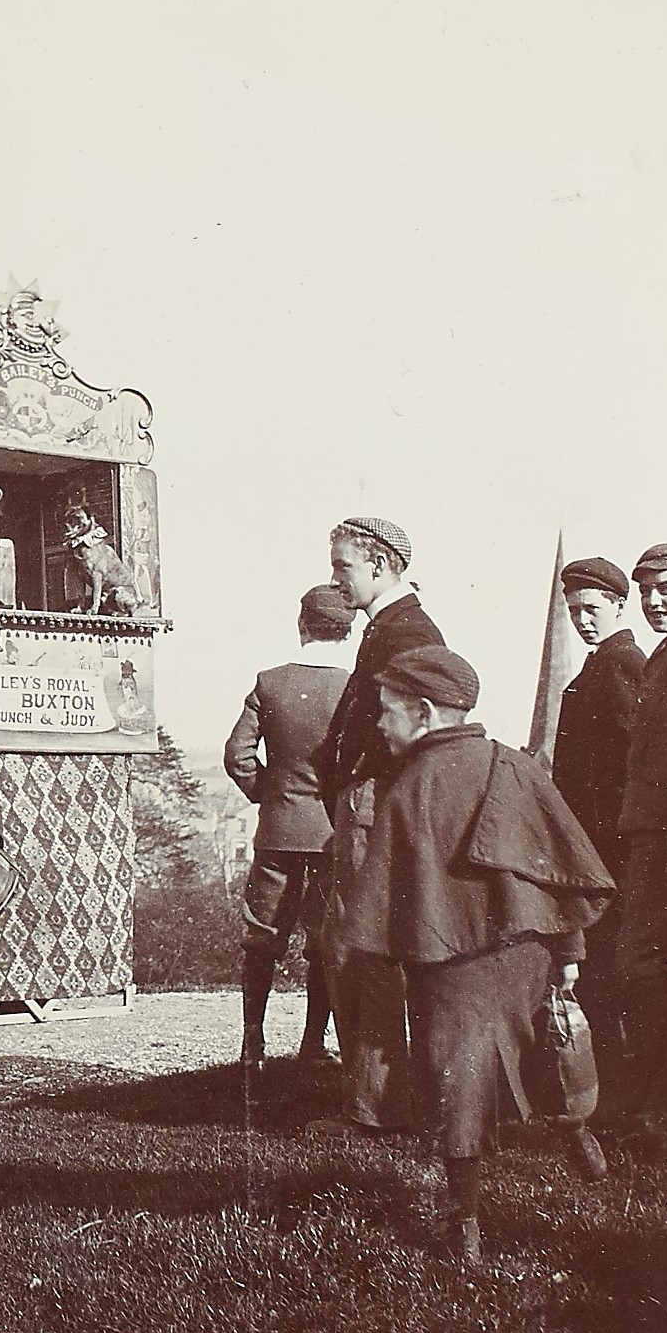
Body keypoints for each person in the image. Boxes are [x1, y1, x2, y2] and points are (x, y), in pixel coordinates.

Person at [330, 647, 615, 1263]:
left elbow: (384, 907)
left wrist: (385, 959)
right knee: (547, 1051)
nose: (379, 726)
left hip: (448, 964)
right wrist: (569, 949)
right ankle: (578, 1136)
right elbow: (556, 872)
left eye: (386, 713)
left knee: (457, 1078)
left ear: (425, 714)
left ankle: (464, 1225)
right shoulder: (514, 766)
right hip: (528, 952)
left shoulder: (409, 789)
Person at [319, 516, 445, 1130]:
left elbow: (420, 731)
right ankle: (380, 1100)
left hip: (377, 804)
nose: (335, 580)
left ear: (378, 565)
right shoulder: (390, 628)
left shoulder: (406, 632)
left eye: (343, 567)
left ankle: (374, 1108)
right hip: (369, 801)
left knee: (361, 950)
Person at [223, 585, 356, 1081]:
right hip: (330, 837)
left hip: (277, 833)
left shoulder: (270, 682)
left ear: (302, 625)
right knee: (324, 939)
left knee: (261, 937)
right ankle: (312, 1042)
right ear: (349, 629)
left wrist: (270, 795)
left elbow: (237, 756)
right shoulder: (355, 688)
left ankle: (251, 1041)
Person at [551, 557, 646, 1119]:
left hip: (611, 853)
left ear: (618, 605)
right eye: (574, 612)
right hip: (597, 849)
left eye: (592, 609)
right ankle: (614, 1095)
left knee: (609, 976)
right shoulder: (604, 666)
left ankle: (621, 1099)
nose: (583, 620)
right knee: (602, 975)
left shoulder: (621, 668)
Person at [616, 542, 667, 1122]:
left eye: (666, 588)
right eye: (645, 591)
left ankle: (661, 1099)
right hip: (657, 830)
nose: (652, 601)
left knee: (648, 959)